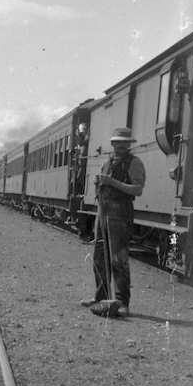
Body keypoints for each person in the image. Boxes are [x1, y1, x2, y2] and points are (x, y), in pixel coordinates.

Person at [80, 127, 146, 317]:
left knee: (118, 260)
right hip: (103, 213)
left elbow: (138, 190)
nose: (121, 145)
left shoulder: (134, 163)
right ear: (113, 144)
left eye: (124, 142)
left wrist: (111, 182)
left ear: (128, 144)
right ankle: (101, 297)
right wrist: (98, 184)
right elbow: (103, 186)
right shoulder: (107, 163)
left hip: (121, 215)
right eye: (118, 142)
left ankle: (122, 302)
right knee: (99, 258)